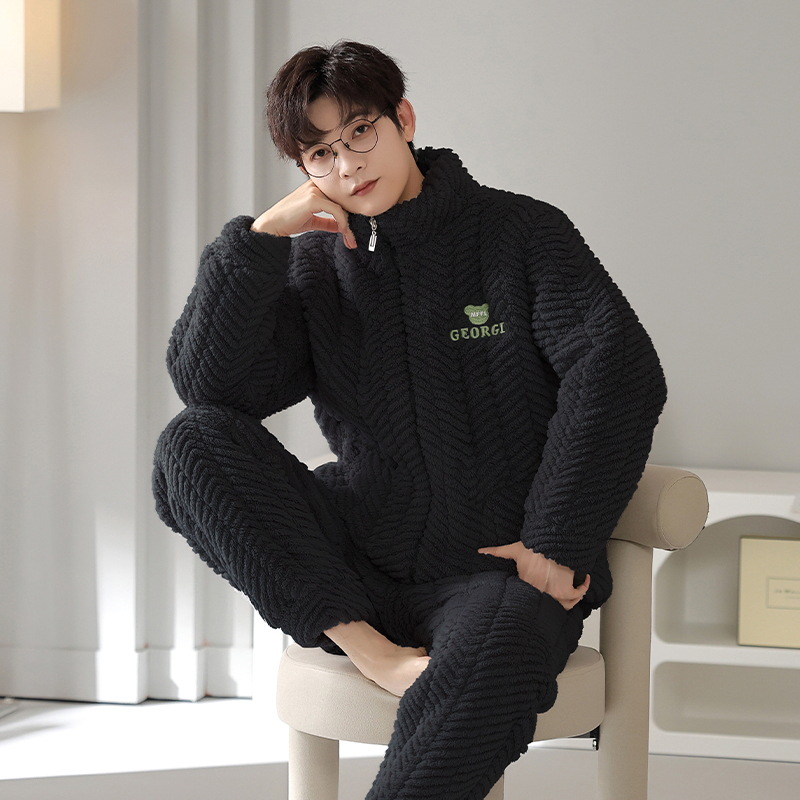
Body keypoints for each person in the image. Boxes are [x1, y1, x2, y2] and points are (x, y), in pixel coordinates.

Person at [152, 40, 667, 800]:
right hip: (356, 560)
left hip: (494, 571)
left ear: (404, 119)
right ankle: (369, 649)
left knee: (499, 652)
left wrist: (556, 540)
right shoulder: (314, 265)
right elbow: (210, 390)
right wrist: (258, 242)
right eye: (320, 153)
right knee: (190, 442)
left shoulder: (519, 232)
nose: (348, 165)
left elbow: (618, 370)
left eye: (361, 132)